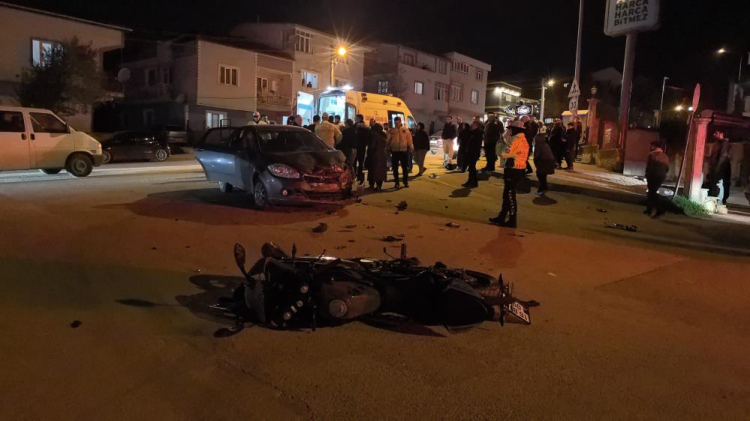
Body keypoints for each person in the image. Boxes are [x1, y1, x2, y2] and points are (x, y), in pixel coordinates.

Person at [489, 120, 529, 228]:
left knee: (510, 196)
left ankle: (512, 220)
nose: (509, 131)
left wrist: (501, 143)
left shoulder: (515, 140)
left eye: (510, 129)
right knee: (507, 194)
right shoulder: (523, 139)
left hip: (512, 169)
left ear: (515, 130)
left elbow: (503, 153)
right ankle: (502, 216)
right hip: (517, 169)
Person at [387, 116, 414, 189]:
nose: (396, 123)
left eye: (398, 122)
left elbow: (409, 139)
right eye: (395, 122)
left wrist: (411, 147)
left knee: (404, 168)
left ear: (400, 122)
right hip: (395, 151)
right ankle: (396, 182)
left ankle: (405, 181)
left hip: (403, 151)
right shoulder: (392, 130)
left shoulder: (405, 130)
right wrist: (387, 146)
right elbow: (388, 139)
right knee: (395, 168)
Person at [645, 142, 670, 217]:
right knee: (652, 192)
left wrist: (647, 175)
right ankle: (649, 210)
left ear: (654, 147)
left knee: (652, 192)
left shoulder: (651, 155)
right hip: (661, 176)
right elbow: (667, 168)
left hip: (653, 175)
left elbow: (649, 167)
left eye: (652, 146)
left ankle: (659, 209)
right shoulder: (665, 156)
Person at [708, 130, 732, 204]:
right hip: (715, 167)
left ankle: (719, 202)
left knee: (719, 183)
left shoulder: (724, 143)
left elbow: (723, 157)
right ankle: (716, 200)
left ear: (721, 134)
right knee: (715, 184)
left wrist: (718, 168)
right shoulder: (718, 143)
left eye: (717, 133)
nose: (714, 134)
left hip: (720, 168)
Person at [366, 123, 388, 192]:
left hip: (374, 155)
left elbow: (372, 146)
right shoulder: (383, 135)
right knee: (380, 171)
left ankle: (371, 185)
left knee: (372, 170)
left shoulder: (374, 135)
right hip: (382, 155)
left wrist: (368, 154)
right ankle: (379, 186)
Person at [462, 121, 484, 188]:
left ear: (476, 125)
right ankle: (472, 182)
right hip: (471, 152)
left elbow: (475, 144)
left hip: (474, 153)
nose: (472, 125)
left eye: (473, 125)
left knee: (472, 168)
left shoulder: (477, 133)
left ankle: (472, 182)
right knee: (472, 168)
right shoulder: (473, 132)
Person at [354, 115, 370, 183]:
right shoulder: (366, 127)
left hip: (356, 146)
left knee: (354, 161)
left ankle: (355, 176)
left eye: (356, 118)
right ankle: (360, 176)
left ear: (359, 119)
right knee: (360, 162)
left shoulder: (356, 126)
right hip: (362, 146)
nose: (355, 119)